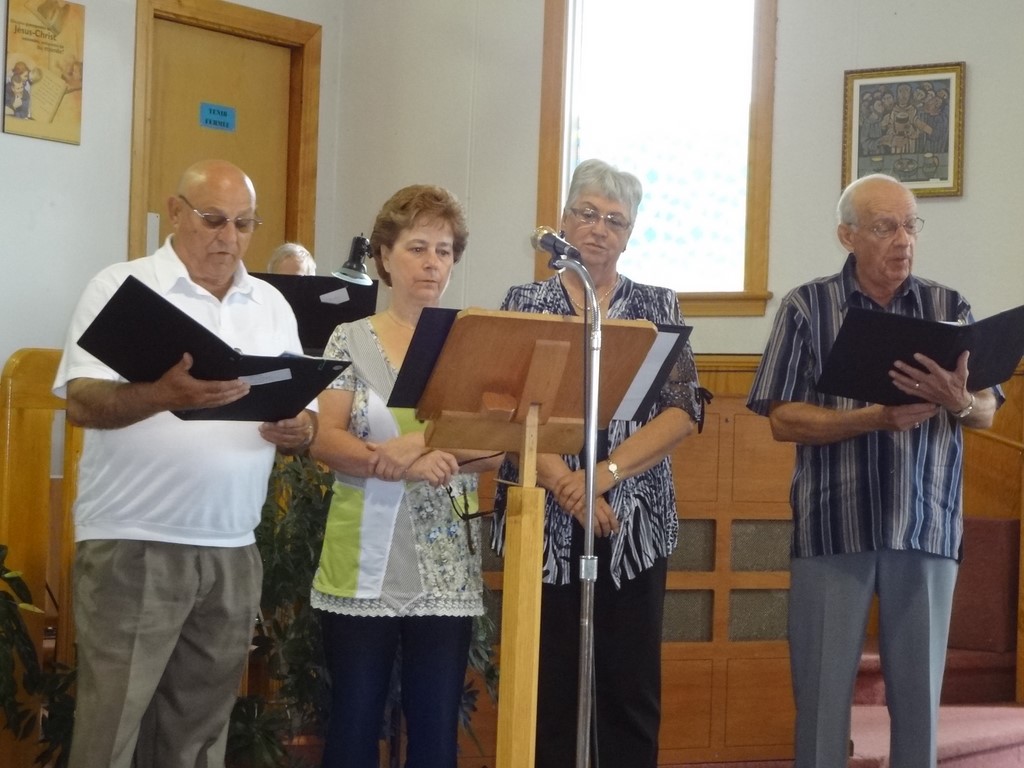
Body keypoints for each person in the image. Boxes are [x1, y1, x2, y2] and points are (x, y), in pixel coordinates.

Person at [53, 159, 318, 768]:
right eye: (214, 219)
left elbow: (300, 411)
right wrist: (160, 396)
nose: (229, 239)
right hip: (133, 541)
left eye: (245, 224)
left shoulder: (271, 303)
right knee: (110, 732)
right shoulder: (123, 288)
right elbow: (83, 403)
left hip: (231, 546)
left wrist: (300, 430)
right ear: (175, 212)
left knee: (199, 736)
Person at [746, 173, 1003, 768]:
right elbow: (783, 419)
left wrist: (959, 400)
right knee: (820, 702)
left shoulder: (950, 308)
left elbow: (987, 411)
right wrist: (873, 419)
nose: (903, 240)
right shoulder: (807, 308)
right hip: (836, 525)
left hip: (927, 526)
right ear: (847, 235)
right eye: (885, 226)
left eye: (911, 224)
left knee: (920, 707)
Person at [492, 158, 704, 767]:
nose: (599, 228)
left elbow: (683, 409)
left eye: (615, 220)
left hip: (634, 517)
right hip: (544, 517)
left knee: (628, 686)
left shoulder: (656, 306)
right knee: (548, 685)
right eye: (587, 213)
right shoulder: (524, 302)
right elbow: (511, 410)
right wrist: (568, 485)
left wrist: (603, 477)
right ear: (564, 221)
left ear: (630, 234)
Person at [309, 184, 502, 768]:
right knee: (353, 727)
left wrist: (421, 445)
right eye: (418, 247)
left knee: (435, 733)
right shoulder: (349, 339)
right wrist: (393, 463)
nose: (432, 263)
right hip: (362, 561)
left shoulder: (471, 340)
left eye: (444, 251)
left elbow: (494, 448)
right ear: (385, 257)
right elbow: (325, 437)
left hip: (444, 564)